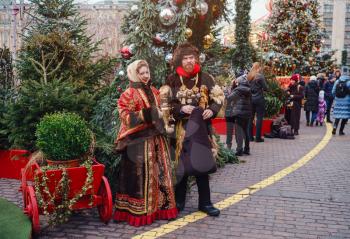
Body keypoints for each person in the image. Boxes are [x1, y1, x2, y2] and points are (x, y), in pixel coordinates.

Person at [113, 60, 178, 226]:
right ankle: (139, 212)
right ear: (135, 74)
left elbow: (164, 112)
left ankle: (161, 209)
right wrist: (149, 113)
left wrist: (166, 115)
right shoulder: (128, 93)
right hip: (138, 144)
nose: (145, 76)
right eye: (141, 73)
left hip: (156, 139)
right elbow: (126, 118)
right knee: (139, 178)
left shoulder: (155, 91)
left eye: (147, 72)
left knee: (161, 173)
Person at [165, 42, 224, 217]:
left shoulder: (206, 77)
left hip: (201, 129)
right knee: (181, 165)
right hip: (180, 129)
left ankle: (205, 203)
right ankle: (179, 202)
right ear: (179, 60)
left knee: (202, 163)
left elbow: (219, 98)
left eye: (192, 57)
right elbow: (165, 104)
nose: (189, 61)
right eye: (185, 58)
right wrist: (180, 109)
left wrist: (211, 110)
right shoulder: (172, 80)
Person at [226, 75, 252, 156]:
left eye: (237, 81)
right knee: (246, 131)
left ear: (239, 82)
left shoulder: (238, 90)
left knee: (239, 132)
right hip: (247, 113)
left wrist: (226, 92)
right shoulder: (248, 89)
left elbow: (229, 98)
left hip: (239, 113)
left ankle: (239, 150)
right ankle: (247, 149)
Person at [247, 62, 267, 142]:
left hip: (250, 99)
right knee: (259, 118)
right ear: (258, 68)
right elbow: (266, 88)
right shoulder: (260, 76)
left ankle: (250, 137)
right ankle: (258, 138)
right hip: (259, 99)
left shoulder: (249, 76)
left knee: (250, 118)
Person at [224, 81, 236, 150]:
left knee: (229, 130)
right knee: (231, 130)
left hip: (230, 113)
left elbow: (227, 98)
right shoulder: (239, 90)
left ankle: (229, 145)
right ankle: (230, 146)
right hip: (232, 112)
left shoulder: (237, 90)